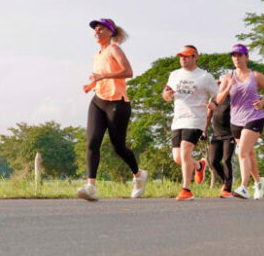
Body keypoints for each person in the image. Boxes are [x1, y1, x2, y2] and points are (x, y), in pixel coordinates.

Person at [77, 18, 147, 201]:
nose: (97, 32)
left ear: (110, 32)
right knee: (92, 141)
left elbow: (128, 72)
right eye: (95, 30)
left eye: (101, 29)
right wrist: (92, 85)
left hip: (117, 103)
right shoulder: (98, 54)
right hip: (98, 101)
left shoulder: (114, 49)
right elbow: (101, 78)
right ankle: (91, 187)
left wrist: (102, 76)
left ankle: (138, 175)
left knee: (118, 146)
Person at [216, 44, 264, 200]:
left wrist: (262, 102)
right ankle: (258, 181)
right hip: (236, 120)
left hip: (254, 117)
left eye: (240, 55)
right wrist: (227, 88)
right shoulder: (228, 77)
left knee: (241, 152)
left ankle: (244, 187)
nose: (237, 58)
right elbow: (218, 100)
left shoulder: (256, 76)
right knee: (249, 153)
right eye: (234, 56)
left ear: (246, 57)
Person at [163, 45, 218, 201]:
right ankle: (199, 166)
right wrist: (166, 95)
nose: (183, 58)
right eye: (181, 56)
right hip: (178, 119)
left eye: (186, 56)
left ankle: (186, 189)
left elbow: (218, 95)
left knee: (185, 152)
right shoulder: (174, 75)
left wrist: (215, 104)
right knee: (177, 157)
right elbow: (166, 96)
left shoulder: (205, 76)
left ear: (195, 57)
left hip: (196, 118)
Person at [205, 80, 235, 198]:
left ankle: (227, 188)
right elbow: (208, 116)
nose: (219, 87)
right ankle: (225, 180)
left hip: (230, 134)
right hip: (216, 135)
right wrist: (204, 131)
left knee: (227, 159)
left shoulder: (232, 99)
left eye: (221, 84)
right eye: (218, 85)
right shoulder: (213, 99)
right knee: (213, 161)